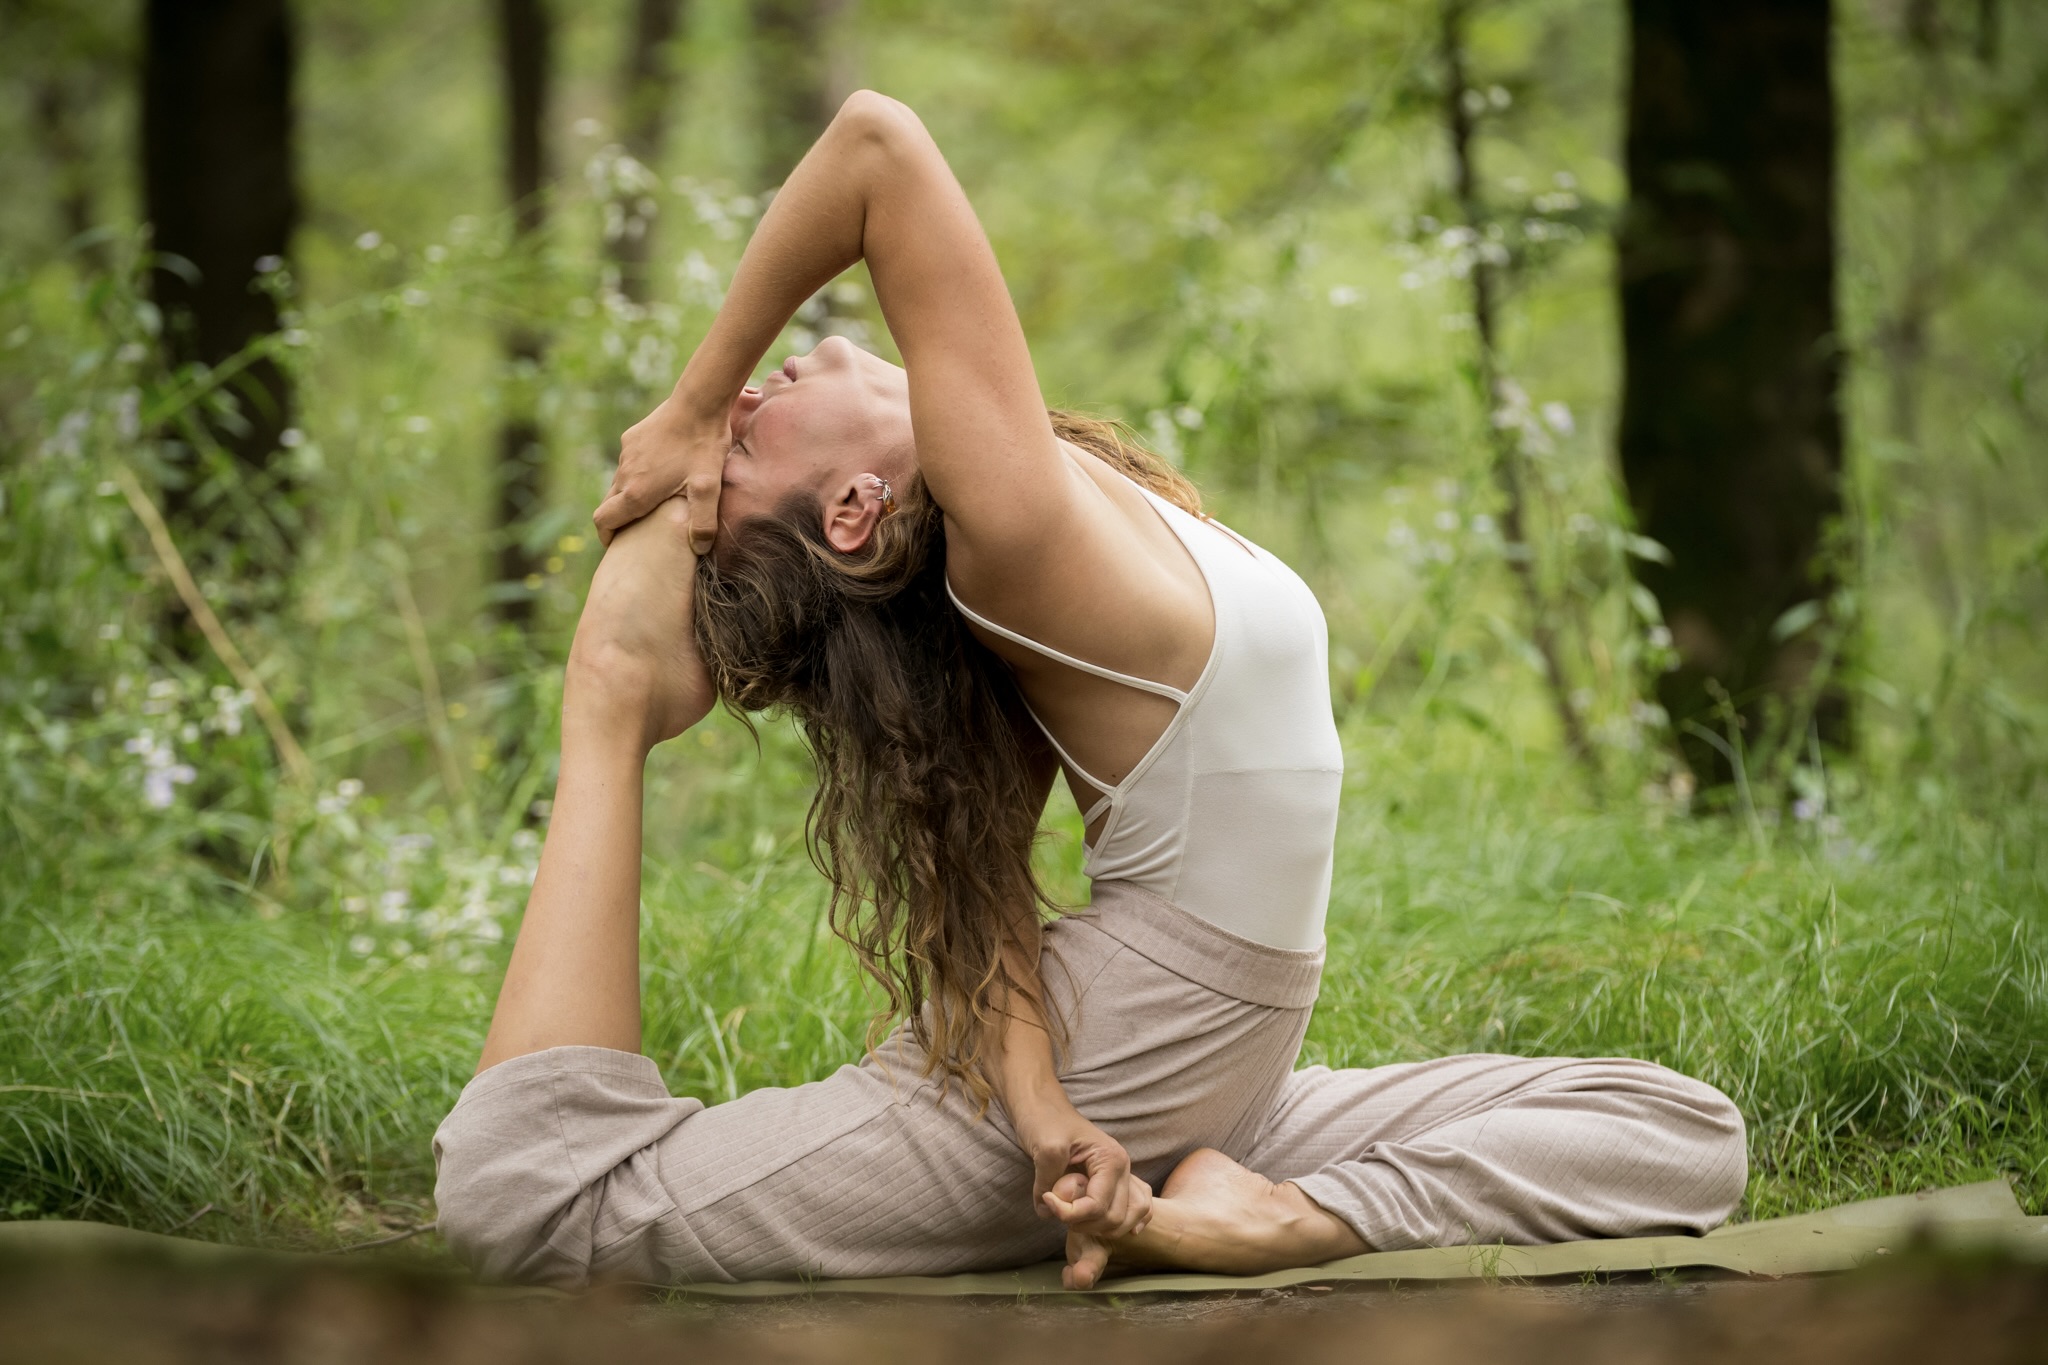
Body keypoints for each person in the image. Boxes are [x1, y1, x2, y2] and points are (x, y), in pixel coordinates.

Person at [432, 91, 1747, 1291]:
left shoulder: (1026, 528)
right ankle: (607, 708)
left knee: (1681, 1134)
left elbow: (985, 873)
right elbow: (876, 147)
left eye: (733, 423)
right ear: (848, 509)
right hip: (1155, 1031)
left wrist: (1049, 1104)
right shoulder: (1012, 528)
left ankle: (1257, 1208)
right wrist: (687, 411)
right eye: (745, 437)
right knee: (542, 1206)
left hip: (1194, 1056)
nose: (753, 392)